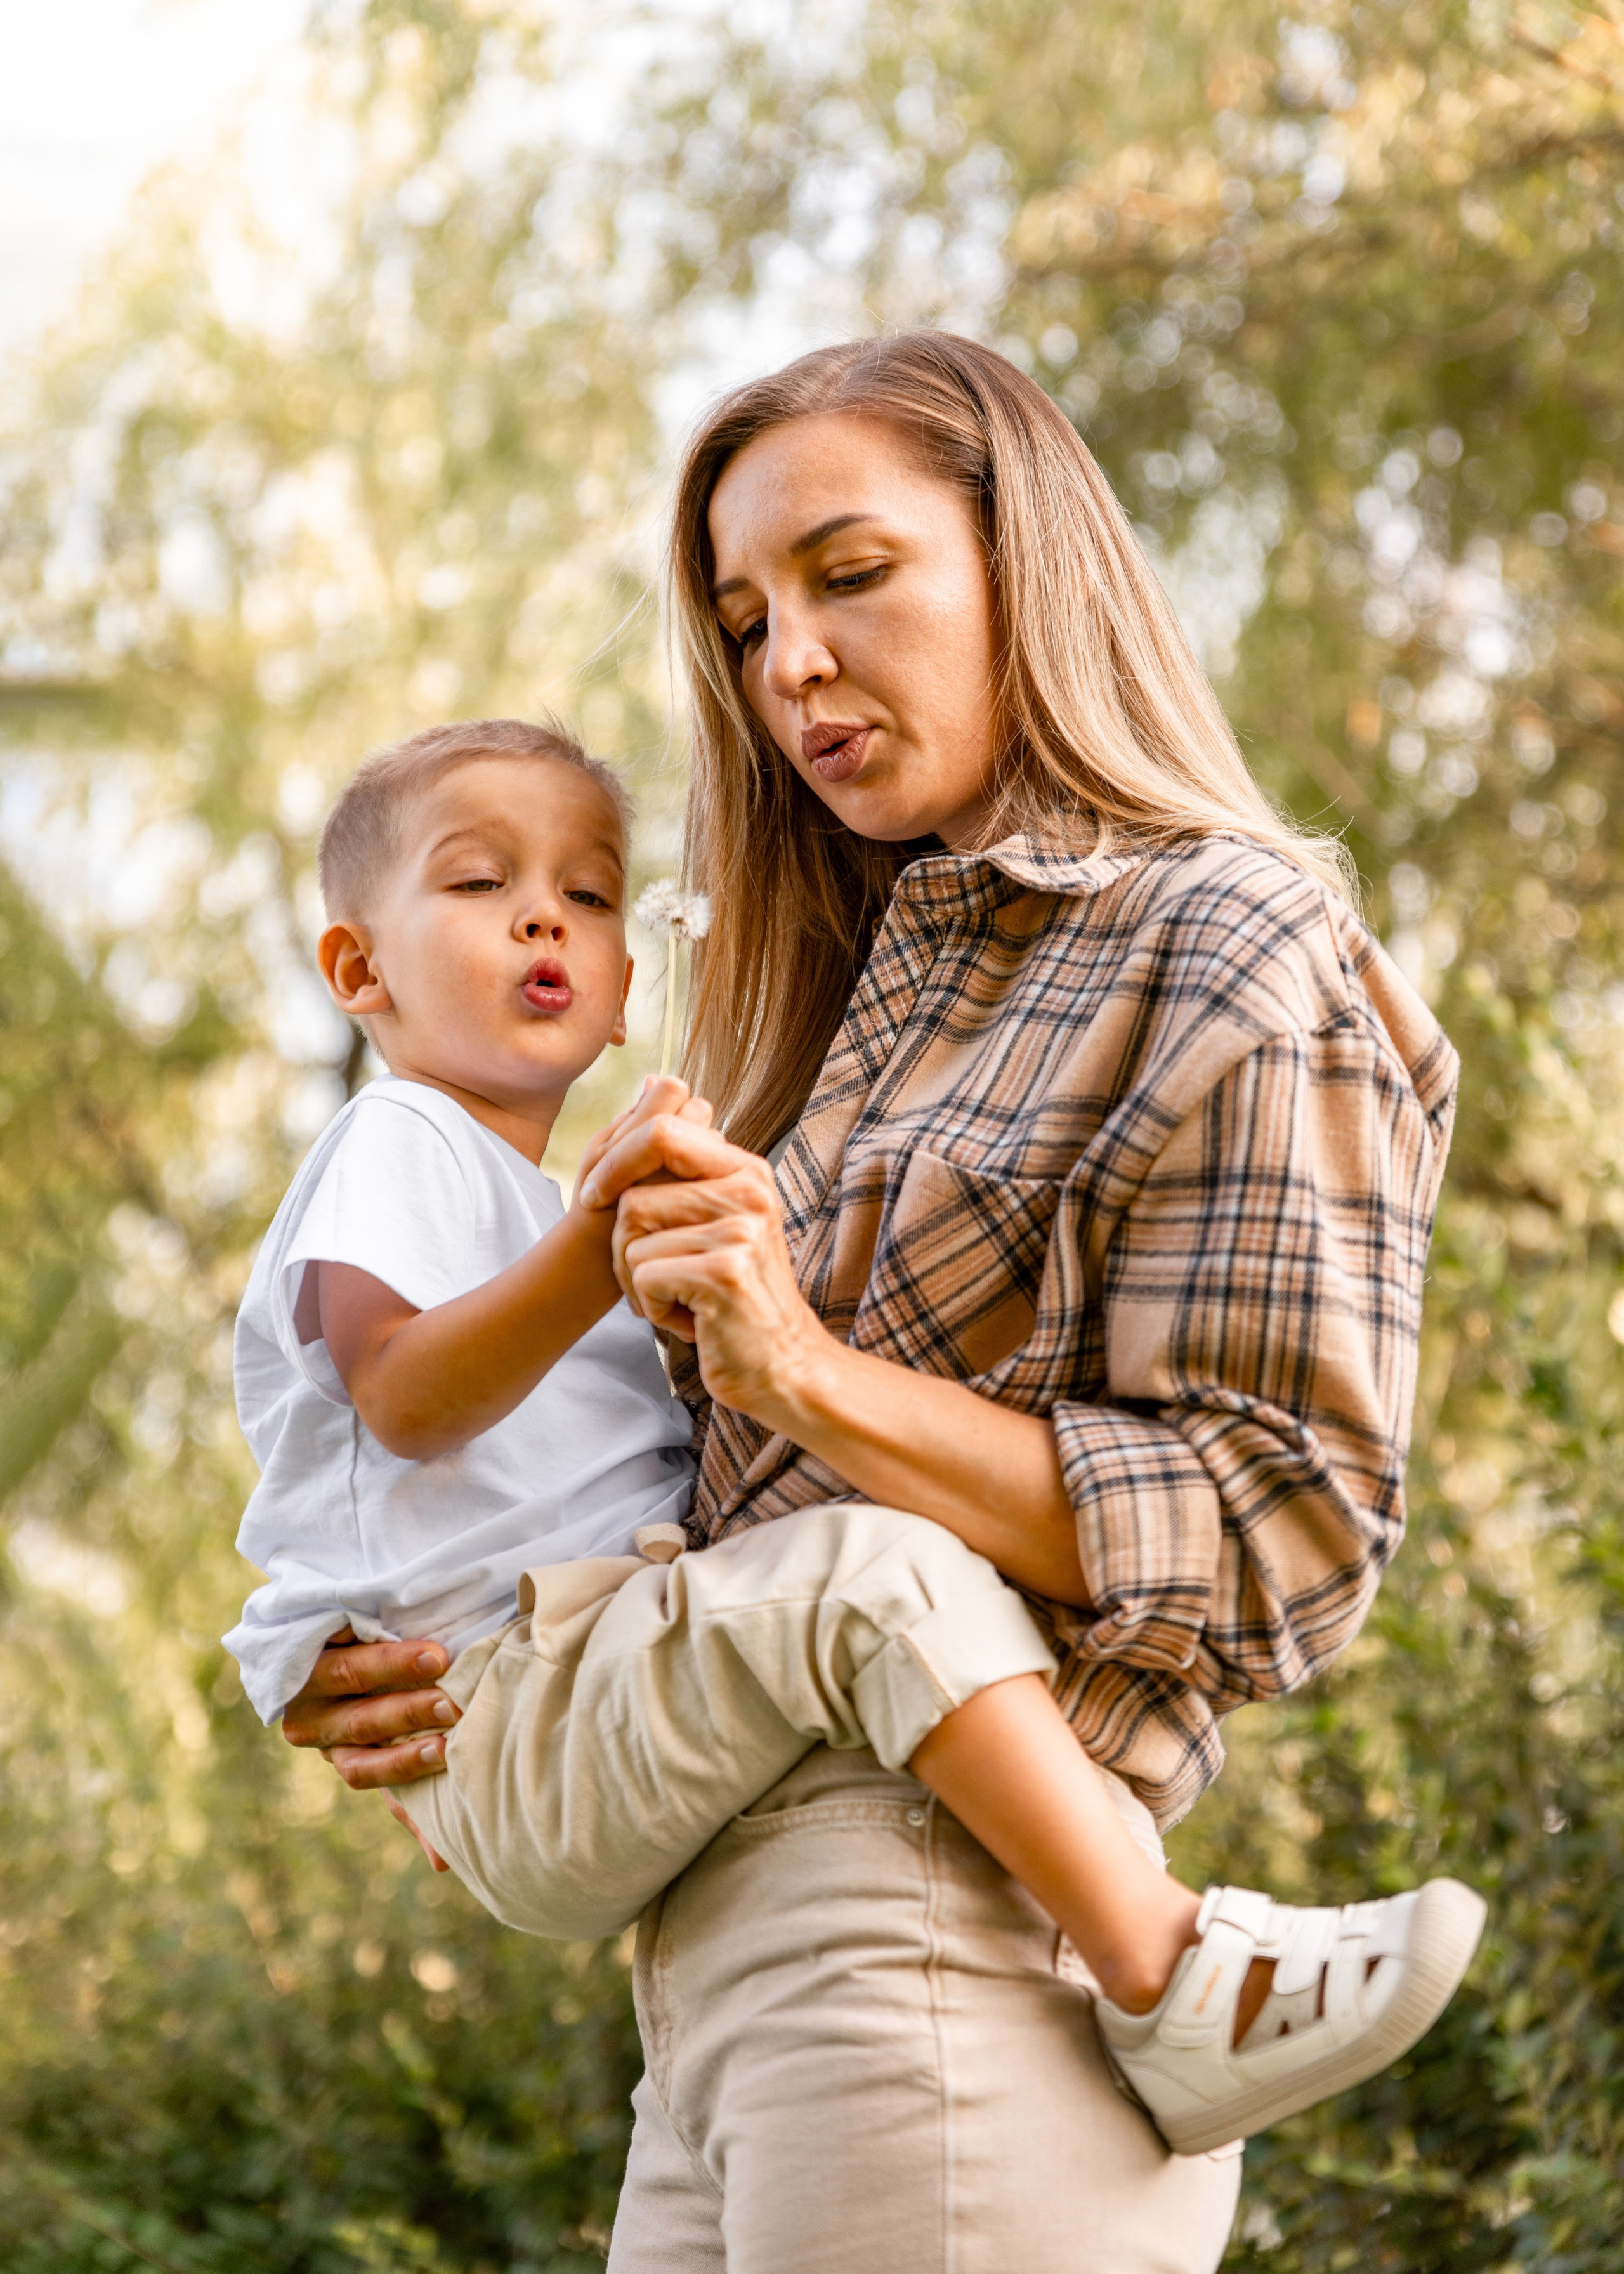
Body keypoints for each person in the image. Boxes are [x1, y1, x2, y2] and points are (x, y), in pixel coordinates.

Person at [280, 334, 1477, 2271]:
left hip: (951, 1945)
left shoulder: (1227, 936)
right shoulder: (832, 1014)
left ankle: (1186, 1973)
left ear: (1032, 563)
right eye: (748, 623)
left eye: (852, 575)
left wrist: (811, 1373)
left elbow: (1285, 1527)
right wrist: (408, 1626)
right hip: (713, 1970)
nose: (792, 668)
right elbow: (653, 1478)